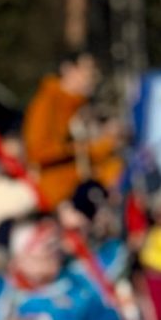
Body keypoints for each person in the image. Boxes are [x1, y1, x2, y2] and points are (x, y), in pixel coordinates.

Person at [23, 53, 118, 212]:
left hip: (85, 191)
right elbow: (37, 151)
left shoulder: (83, 106)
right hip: (57, 195)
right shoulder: (46, 102)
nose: (92, 78)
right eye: (87, 71)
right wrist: (91, 148)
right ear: (67, 69)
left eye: (95, 73)